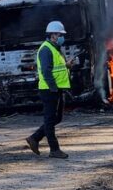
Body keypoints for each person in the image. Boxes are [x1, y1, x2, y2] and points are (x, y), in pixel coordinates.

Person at [26, 21, 76, 159]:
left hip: (56, 88)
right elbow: (47, 72)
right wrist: (53, 88)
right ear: (53, 35)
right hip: (49, 89)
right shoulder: (46, 49)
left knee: (57, 118)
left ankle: (35, 138)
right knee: (50, 120)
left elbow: (56, 68)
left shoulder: (54, 48)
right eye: (60, 35)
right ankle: (54, 149)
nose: (61, 37)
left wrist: (67, 65)